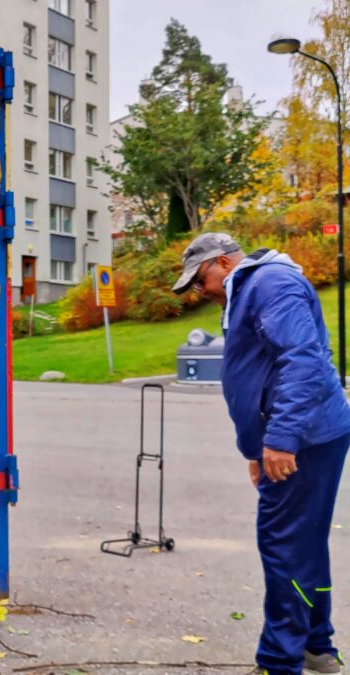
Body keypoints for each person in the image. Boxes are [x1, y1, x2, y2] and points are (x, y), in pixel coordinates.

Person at [172, 232, 350, 675]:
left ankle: (278, 662)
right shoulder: (250, 290)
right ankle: (315, 645)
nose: (199, 291)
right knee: (303, 541)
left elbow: (304, 359)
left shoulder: (270, 284)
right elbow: (260, 372)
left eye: (200, 280)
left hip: (305, 437)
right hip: (307, 435)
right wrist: (257, 447)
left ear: (224, 264)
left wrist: (281, 438)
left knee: (284, 543)